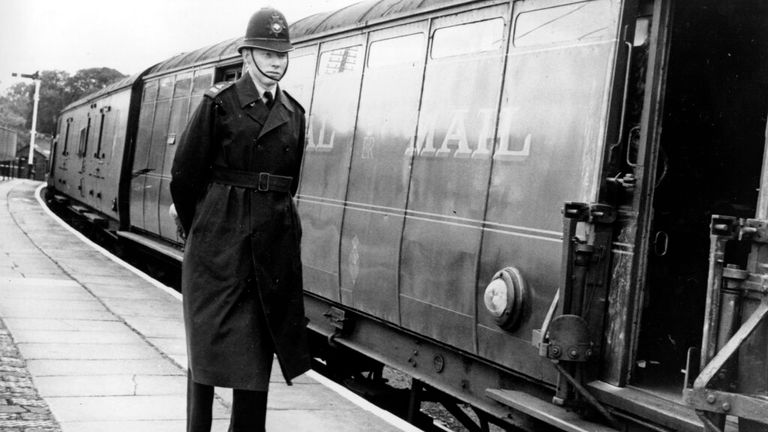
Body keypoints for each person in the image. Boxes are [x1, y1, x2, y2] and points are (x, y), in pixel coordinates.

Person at [170, 7, 310, 432]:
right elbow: (184, 176)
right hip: (218, 248)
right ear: (247, 54)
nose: (275, 62)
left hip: (269, 248)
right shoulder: (219, 104)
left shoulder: (295, 113)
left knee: (256, 356)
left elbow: (292, 183)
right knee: (207, 357)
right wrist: (208, 229)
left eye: (282, 54)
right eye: (267, 53)